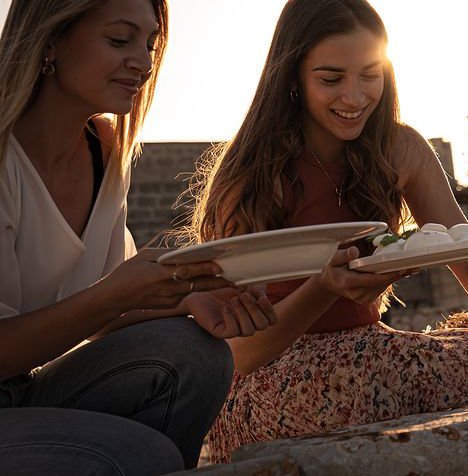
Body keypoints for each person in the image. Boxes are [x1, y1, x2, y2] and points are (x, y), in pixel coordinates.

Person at [187, 0, 468, 463]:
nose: (354, 97)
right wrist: (326, 287)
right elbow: (239, 355)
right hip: (272, 376)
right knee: (350, 393)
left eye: (370, 75)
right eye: (331, 79)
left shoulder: (400, 147)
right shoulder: (251, 173)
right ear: (292, 76)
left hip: (371, 353)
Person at [0, 0, 277, 473]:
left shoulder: (104, 152)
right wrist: (114, 294)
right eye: (119, 40)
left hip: (24, 389)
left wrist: (189, 301)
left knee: (198, 354)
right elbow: (103, 300)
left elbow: (102, 310)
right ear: (50, 40)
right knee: (144, 455)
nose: (144, 62)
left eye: (150, 44)